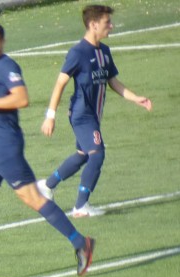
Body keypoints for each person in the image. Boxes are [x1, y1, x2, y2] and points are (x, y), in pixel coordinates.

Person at [0, 21, 95, 277]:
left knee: (33, 198)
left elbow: (21, 98)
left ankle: (81, 243)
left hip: (5, 148)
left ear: (2, 42)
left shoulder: (7, 66)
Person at [36, 4, 153, 217]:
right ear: (93, 24)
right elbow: (60, 83)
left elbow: (113, 82)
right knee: (97, 154)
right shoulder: (78, 53)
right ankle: (81, 206)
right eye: (107, 22)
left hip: (94, 116)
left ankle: (47, 186)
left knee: (83, 155)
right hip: (82, 115)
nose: (111, 26)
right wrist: (50, 116)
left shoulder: (105, 52)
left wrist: (136, 98)